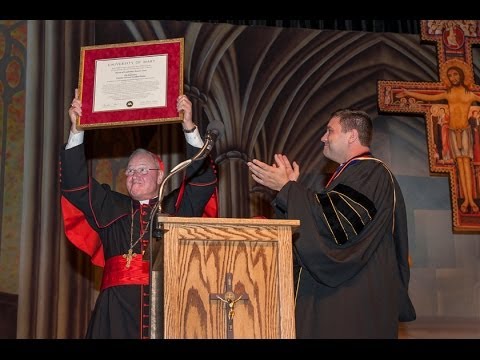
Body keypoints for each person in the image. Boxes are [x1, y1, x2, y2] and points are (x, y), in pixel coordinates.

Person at [60, 89, 218, 339]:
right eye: (130, 171)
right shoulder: (109, 205)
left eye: (143, 169)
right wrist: (77, 130)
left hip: (167, 304)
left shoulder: (175, 207)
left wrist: (189, 129)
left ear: (160, 173)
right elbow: (75, 185)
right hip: (114, 313)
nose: (135, 175)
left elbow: (203, 183)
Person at [247, 109, 416, 339]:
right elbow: (325, 215)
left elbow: (335, 228)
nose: (323, 138)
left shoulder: (371, 171)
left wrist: (290, 191)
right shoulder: (353, 175)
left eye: (330, 131)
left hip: (352, 306)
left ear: (352, 136)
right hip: (343, 302)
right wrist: (292, 192)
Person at [398, 65, 480, 214]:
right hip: (453, 132)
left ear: (461, 75)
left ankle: (470, 199)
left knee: (466, 165)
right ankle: (467, 200)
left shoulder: (471, 95)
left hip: (465, 132)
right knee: (460, 166)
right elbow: (429, 97)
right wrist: (408, 92)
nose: (453, 77)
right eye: (450, 75)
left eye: (455, 74)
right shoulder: (448, 94)